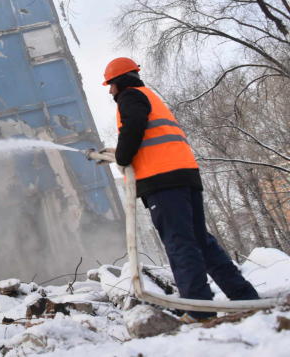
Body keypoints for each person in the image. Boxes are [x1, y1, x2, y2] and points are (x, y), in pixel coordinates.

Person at [103, 57, 259, 321]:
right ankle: (244, 298)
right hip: (184, 176)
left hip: (163, 181)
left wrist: (122, 157)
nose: (109, 91)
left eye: (110, 85)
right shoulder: (149, 96)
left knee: (180, 243)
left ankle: (199, 310)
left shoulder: (130, 97)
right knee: (201, 242)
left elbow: (134, 129)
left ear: (119, 82)